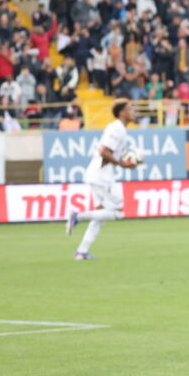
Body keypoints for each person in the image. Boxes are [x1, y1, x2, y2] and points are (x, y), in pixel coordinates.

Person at [66, 99, 139, 260]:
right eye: (129, 109)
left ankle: (81, 252)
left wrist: (125, 162)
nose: (132, 112)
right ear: (121, 112)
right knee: (118, 213)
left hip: (100, 174)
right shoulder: (117, 128)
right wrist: (122, 164)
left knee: (101, 214)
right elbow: (104, 151)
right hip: (102, 175)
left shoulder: (120, 129)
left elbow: (110, 153)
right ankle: (77, 216)